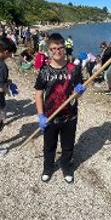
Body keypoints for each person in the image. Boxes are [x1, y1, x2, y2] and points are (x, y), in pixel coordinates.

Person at [34, 33, 86, 183]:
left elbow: (77, 95)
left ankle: (66, 166)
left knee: (68, 145)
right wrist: (40, 115)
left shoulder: (74, 69)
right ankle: (48, 167)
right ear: (49, 50)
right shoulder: (44, 71)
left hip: (70, 116)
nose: (58, 51)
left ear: (65, 48)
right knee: (49, 146)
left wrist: (79, 92)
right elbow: (38, 95)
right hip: (50, 117)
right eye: (54, 48)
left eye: (61, 48)